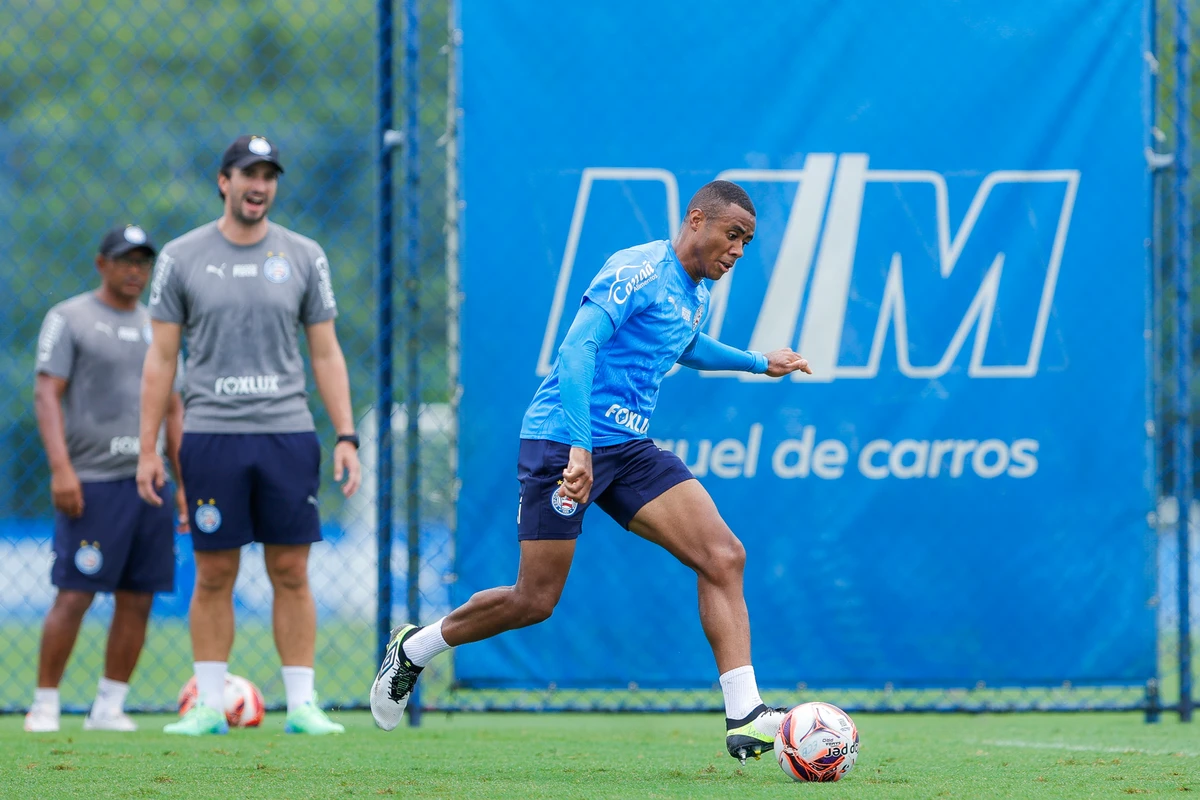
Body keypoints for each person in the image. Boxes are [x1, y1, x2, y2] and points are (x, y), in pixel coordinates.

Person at [370, 180, 812, 762]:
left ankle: (746, 715)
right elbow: (577, 350)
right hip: (561, 439)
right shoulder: (637, 270)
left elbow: (683, 344)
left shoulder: (695, 292)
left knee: (723, 555)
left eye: (746, 243)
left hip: (628, 448)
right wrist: (579, 449)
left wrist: (759, 363)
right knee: (534, 599)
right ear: (696, 219)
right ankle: (414, 648)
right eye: (732, 235)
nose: (737, 251)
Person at [137, 134, 362, 736]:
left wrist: (346, 434)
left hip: (286, 434)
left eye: (269, 175)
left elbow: (326, 351)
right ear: (223, 181)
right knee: (214, 574)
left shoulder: (304, 255)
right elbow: (160, 361)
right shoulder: (181, 257)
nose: (259, 185)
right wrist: (148, 448)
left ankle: (304, 705)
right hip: (211, 435)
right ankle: (209, 704)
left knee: (292, 571)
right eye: (248, 174)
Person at [26, 224, 187, 733]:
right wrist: (61, 471)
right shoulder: (69, 318)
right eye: (125, 260)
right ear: (102, 264)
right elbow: (46, 393)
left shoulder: (159, 327)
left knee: (139, 596)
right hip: (90, 481)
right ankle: (45, 702)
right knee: (74, 593)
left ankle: (109, 706)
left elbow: (174, 409)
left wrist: (184, 486)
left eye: (143, 262)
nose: (135, 270)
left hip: (150, 483)